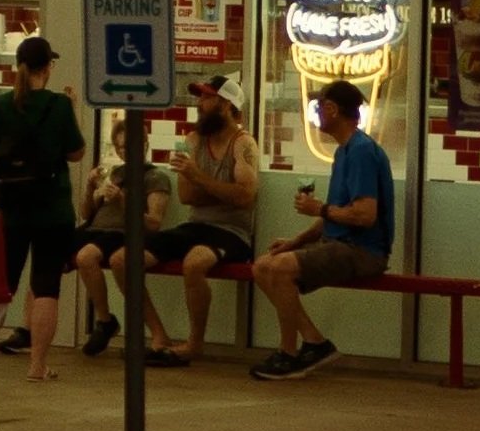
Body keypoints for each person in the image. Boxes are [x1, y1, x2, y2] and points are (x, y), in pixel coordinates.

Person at [248, 78, 396, 381]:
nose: (316, 114)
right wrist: (296, 241)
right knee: (263, 266)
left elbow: (364, 216)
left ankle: (289, 353)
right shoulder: (344, 152)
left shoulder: (361, 151)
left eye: (318, 107)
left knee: (280, 269)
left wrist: (320, 209)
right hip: (341, 244)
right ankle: (314, 342)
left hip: (363, 250)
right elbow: (336, 213)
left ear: (331, 109)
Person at [128, 74, 260, 368]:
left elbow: (245, 197)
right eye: (200, 97)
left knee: (194, 263)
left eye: (206, 97)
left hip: (232, 231)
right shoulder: (194, 140)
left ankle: (194, 343)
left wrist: (201, 178)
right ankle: (159, 335)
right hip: (196, 225)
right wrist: (219, 189)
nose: (200, 104)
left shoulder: (243, 144)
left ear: (226, 105)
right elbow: (188, 196)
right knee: (125, 259)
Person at [0, 35, 85, 382]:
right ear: (48, 67)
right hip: (52, 209)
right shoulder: (58, 106)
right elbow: (76, 153)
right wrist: (72, 111)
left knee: (2, 285)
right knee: (46, 286)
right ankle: (37, 365)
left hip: (11, 209)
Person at [71, 116, 170, 357]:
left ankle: (109, 323)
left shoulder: (155, 177)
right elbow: (86, 214)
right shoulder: (115, 173)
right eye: (119, 147)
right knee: (61, 251)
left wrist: (123, 200)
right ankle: (104, 319)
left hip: (122, 234)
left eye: (128, 145)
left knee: (89, 257)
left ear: (144, 144)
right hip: (97, 231)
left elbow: (154, 223)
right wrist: (91, 189)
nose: (123, 151)